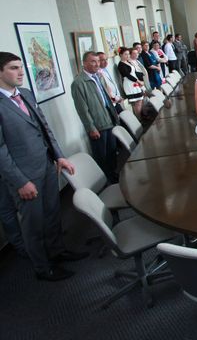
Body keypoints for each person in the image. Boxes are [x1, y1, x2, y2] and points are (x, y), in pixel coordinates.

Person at [0, 52, 87, 281]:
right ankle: (42, 267)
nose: (20, 72)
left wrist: (59, 156)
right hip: (24, 176)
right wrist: (20, 181)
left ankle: (58, 252)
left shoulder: (26, 94)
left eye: (21, 67)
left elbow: (45, 128)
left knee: (52, 214)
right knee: (33, 225)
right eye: (13, 68)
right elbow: (0, 151)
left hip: (47, 165)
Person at [71, 51, 120, 184]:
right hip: (98, 125)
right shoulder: (79, 83)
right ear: (84, 63)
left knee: (112, 152)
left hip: (108, 119)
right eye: (93, 61)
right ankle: (106, 182)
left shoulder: (97, 77)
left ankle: (113, 175)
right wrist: (91, 127)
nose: (97, 64)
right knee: (102, 156)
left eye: (98, 61)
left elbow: (106, 99)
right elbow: (82, 109)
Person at [117, 48, 145, 119]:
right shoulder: (121, 65)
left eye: (128, 54)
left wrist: (139, 80)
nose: (127, 56)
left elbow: (134, 73)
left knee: (140, 100)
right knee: (136, 103)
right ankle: (139, 119)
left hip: (135, 82)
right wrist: (138, 81)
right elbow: (128, 75)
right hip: (129, 84)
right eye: (125, 54)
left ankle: (140, 117)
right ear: (120, 55)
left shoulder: (128, 62)